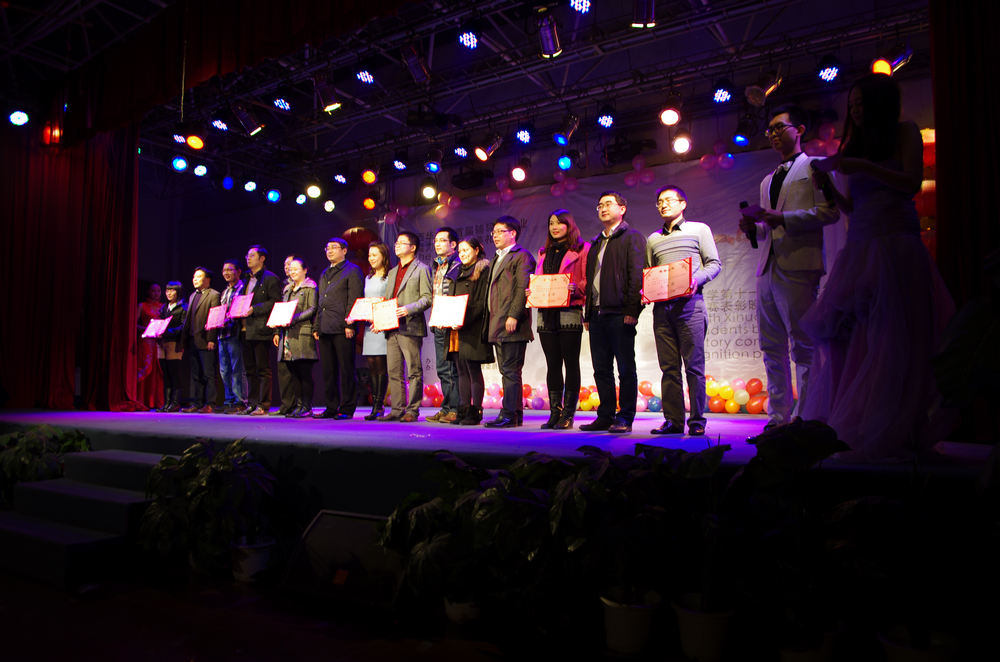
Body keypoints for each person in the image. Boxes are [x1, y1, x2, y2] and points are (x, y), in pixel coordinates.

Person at [802, 73, 956, 462]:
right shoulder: (855, 145)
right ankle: (863, 419)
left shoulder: (904, 131)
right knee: (856, 337)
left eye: (861, 103)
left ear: (880, 104)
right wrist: (828, 186)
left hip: (897, 242)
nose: (855, 111)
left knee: (900, 335)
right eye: (851, 105)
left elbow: (911, 183)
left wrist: (861, 166)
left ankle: (901, 425)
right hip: (861, 247)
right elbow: (851, 209)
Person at [738, 104, 843, 433]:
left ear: (799, 130)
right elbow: (769, 229)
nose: (772, 134)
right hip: (768, 267)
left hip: (799, 265)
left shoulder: (814, 166)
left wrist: (783, 218)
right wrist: (755, 228)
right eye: (769, 129)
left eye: (778, 127)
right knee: (771, 346)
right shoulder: (767, 180)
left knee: (803, 345)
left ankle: (807, 417)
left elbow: (831, 212)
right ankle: (778, 417)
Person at [646, 186, 722, 436]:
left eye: (669, 200)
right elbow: (650, 271)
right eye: (659, 201)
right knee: (668, 368)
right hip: (662, 309)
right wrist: (647, 289)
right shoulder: (653, 239)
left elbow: (714, 264)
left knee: (694, 367)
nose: (664, 204)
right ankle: (673, 421)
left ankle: (697, 421)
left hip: (690, 306)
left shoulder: (699, 230)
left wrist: (696, 280)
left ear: (683, 203)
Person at [581, 191, 646, 433]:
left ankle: (625, 417)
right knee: (601, 369)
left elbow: (637, 276)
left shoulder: (632, 237)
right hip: (597, 314)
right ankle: (605, 415)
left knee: (626, 368)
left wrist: (632, 309)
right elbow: (591, 280)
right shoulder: (596, 243)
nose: (603, 208)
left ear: (622, 208)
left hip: (620, 312)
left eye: (608, 204)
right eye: (600, 205)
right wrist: (588, 312)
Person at [532, 210, 590, 429]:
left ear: (569, 225)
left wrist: (577, 288)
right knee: (552, 364)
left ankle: (568, 414)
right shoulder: (543, 253)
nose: (554, 227)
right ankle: (554, 413)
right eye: (551, 223)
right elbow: (538, 280)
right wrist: (531, 291)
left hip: (569, 310)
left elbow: (588, 280)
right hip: (546, 313)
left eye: (559, 223)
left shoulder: (582, 249)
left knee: (571, 363)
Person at [483, 216, 536, 428]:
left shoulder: (522, 256)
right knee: (508, 370)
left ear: (512, 233)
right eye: (493, 232)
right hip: (497, 322)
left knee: (510, 369)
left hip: (512, 321)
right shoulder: (496, 258)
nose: (495, 236)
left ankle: (508, 415)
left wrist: (514, 315)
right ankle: (515, 414)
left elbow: (522, 288)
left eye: (500, 231)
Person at [377, 231, 432, 423]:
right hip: (392, 327)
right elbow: (388, 300)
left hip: (410, 326)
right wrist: (379, 319)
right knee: (394, 371)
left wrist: (408, 309)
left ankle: (412, 410)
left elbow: (427, 298)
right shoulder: (392, 271)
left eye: (402, 242)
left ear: (413, 247)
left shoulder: (422, 269)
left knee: (414, 370)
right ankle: (396, 409)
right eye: (396, 242)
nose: (397, 245)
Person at [313, 238, 363, 419]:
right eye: (327, 248)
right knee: (328, 371)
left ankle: (347, 408)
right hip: (325, 327)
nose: (329, 251)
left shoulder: (352, 270)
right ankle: (331, 407)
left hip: (342, 327)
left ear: (344, 250)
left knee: (346, 370)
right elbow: (321, 301)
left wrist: (350, 323)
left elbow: (354, 298)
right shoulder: (325, 273)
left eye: (334, 247)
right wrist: (317, 326)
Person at [451, 237, 493, 425]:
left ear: (476, 250)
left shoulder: (483, 270)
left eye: (466, 250)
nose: (462, 254)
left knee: (473, 369)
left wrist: (463, 320)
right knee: (460, 369)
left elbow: (482, 302)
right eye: (460, 251)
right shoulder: (456, 270)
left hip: (472, 325)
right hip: (454, 326)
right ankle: (463, 409)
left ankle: (476, 411)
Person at [237, 245, 283, 416]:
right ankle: (252, 403)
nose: (248, 258)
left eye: (252, 255)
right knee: (249, 369)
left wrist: (254, 309)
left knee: (262, 369)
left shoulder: (270, 278)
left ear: (262, 259)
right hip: (244, 329)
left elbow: (275, 302)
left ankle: (263, 404)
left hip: (260, 328)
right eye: (247, 255)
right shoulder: (245, 279)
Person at [272, 256, 319, 418]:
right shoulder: (287, 289)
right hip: (287, 335)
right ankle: (299, 405)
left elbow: (312, 309)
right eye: (290, 269)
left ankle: (307, 406)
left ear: (305, 270)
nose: (292, 272)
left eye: (296, 269)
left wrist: (294, 318)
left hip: (302, 333)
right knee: (293, 373)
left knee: (304, 372)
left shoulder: (310, 287)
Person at [425, 227, 463, 422]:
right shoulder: (436, 267)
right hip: (438, 322)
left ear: (453, 244)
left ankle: (455, 409)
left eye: (442, 240)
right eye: (435, 240)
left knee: (452, 369)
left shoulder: (458, 264)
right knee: (442, 368)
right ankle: (446, 407)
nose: (437, 244)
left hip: (451, 323)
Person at [179, 267, 222, 413]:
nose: (195, 279)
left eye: (198, 276)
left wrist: (211, 338)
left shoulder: (214, 294)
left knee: (208, 374)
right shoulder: (193, 295)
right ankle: (198, 403)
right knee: (196, 374)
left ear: (207, 280)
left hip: (205, 339)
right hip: (192, 340)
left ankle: (210, 403)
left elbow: (214, 317)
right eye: (194, 277)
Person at [361, 242, 391, 420]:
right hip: (368, 326)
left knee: (381, 365)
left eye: (374, 255)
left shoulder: (389, 276)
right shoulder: (368, 277)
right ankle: (375, 405)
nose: (371, 258)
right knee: (371, 366)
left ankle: (379, 405)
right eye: (369, 255)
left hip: (382, 324)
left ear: (383, 256)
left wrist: (380, 319)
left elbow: (390, 301)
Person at [218, 260, 249, 414]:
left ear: (238, 271)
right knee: (224, 370)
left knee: (238, 369)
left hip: (235, 333)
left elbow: (242, 310)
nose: (226, 273)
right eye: (224, 270)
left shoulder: (243, 288)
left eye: (230, 270)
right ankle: (229, 400)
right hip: (222, 334)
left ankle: (240, 401)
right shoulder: (225, 292)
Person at [154, 281, 187, 412]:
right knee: (165, 373)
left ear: (178, 292)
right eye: (167, 290)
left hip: (174, 342)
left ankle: (175, 403)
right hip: (161, 343)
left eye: (172, 290)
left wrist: (166, 332)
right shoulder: (164, 307)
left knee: (174, 373)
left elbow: (183, 327)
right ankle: (166, 403)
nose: (169, 293)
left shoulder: (183, 307)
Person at [272, 254, 298, 416]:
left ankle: (300, 404)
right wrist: (276, 331)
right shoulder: (282, 285)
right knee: (283, 369)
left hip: (297, 331)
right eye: (285, 264)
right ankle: (286, 404)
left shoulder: (305, 285)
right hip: (283, 331)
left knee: (298, 370)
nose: (287, 267)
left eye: (290, 264)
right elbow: (278, 308)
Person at [136, 283, 164, 410]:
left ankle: (156, 402)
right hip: (146, 342)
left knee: (159, 371)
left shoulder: (163, 306)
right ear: (148, 291)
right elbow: (133, 323)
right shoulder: (142, 305)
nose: (156, 293)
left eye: (158, 290)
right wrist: (147, 329)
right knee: (145, 368)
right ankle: (141, 400)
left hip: (159, 342)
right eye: (153, 290)